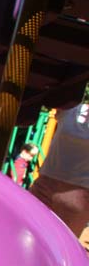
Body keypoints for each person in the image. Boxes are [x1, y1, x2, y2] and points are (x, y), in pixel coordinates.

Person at [29, 102, 89, 239]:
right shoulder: (72, 108)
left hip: (77, 196)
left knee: (60, 246)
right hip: (45, 186)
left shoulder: (70, 109)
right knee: (23, 236)